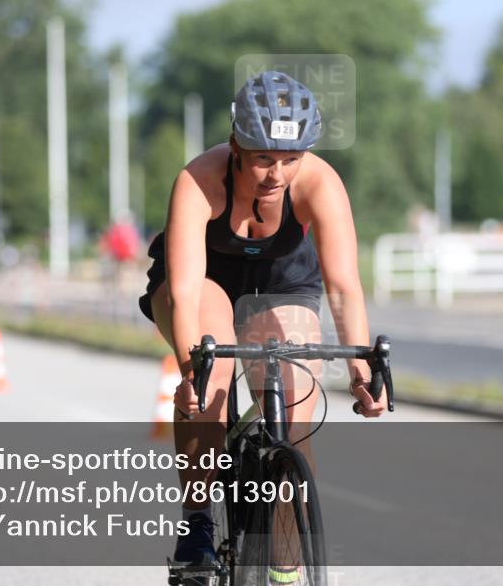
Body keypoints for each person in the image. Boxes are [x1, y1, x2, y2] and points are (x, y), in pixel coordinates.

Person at [138, 71, 387, 576]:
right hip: (204, 279)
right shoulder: (199, 180)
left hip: (282, 281)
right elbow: (185, 292)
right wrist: (189, 372)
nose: (277, 174)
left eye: (291, 159)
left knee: (295, 417)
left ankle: (285, 570)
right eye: (263, 159)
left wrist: (362, 373)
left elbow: (343, 287)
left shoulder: (320, 182)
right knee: (211, 372)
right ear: (235, 145)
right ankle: (197, 522)